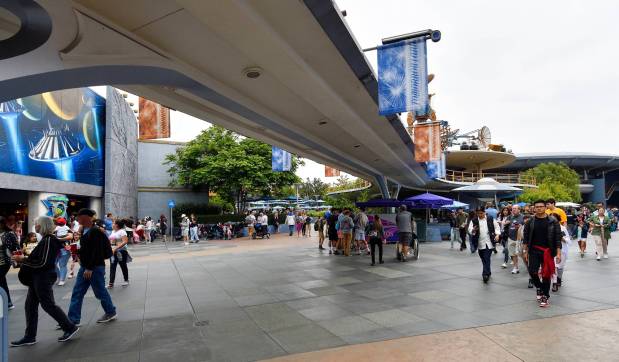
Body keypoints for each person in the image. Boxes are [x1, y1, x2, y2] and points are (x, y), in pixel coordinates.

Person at [10, 216, 79, 346]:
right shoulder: (47, 240)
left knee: (47, 304)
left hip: (42, 277)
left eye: (36, 224)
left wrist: (23, 259)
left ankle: (69, 327)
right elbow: (42, 259)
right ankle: (30, 336)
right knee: (30, 306)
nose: (35, 226)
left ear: (41, 225)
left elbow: (43, 262)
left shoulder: (48, 240)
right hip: (37, 277)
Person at [67, 208, 117, 325]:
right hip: (86, 266)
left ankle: (110, 312)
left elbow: (97, 251)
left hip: (94, 267)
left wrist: (89, 268)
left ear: (87, 217)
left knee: (99, 292)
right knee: (77, 292)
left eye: (79, 216)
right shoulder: (84, 230)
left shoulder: (95, 231)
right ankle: (72, 319)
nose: (77, 218)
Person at [522, 200, 562, 308]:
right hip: (533, 250)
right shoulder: (530, 221)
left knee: (546, 275)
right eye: (537, 207)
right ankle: (539, 287)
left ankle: (545, 296)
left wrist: (558, 253)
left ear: (545, 208)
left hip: (548, 251)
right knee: (532, 271)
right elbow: (525, 238)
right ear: (534, 208)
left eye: (541, 206)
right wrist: (524, 251)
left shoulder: (553, 221)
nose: (539, 208)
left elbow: (558, 238)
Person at [469, 207, 500, 283]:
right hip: (479, 243)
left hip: (488, 242)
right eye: (478, 213)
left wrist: (497, 235)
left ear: (484, 212)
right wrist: (473, 230)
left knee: (486, 257)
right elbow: (469, 230)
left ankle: (485, 274)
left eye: (481, 213)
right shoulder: (474, 220)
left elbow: (497, 227)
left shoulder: (490, 218)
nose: (480, 214)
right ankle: (488, 271)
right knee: (483, 259)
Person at [0, 216, 19, 310]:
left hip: (5, 261)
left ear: (2, 224)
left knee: (1, 279)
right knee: (2, 281)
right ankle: (8, 302)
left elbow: (16, 246)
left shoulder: (9, 233)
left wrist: (18, 258)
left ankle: (7, 302)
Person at [107, 219, 130, 288]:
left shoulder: (122, 231)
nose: (112, 224)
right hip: (112, 251)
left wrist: (116, 248)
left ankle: (126, 280)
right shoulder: (113, 231)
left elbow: (125, 241)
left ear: (116, 225)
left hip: (121, 251)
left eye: (113, 223)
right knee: (112, 266)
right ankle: (111, 283)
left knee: (123, 265)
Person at [552, 213, 571, 292]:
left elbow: (568, 240)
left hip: (562, 250)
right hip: (552, 250)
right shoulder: (548, 228)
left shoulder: (562, 228)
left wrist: (562, 238)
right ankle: (554, 283)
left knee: (560, 267)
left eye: (554, 219)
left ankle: (559, 278)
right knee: (554, 267)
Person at [54, 217, 73, 286]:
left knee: (62, 265)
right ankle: (59, 277)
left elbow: (70, 236)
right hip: (55, 249)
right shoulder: (55, 229)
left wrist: (59, 239)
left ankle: (62, 279)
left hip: (64, 248)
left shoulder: (67, 228)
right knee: (53, 264)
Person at [506, 205, 524, 274]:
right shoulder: (510, 216)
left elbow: (526, 227)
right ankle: (515, 267)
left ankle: (528, 267)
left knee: (523, 254)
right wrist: (505, 223)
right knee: (513, 254)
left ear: (519, 210)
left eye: (515, 209)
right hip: (511, 237)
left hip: (520, 239)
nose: (513, 210)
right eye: (513, 209)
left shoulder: (522, 217)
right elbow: (505, 223)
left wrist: (520, 226)